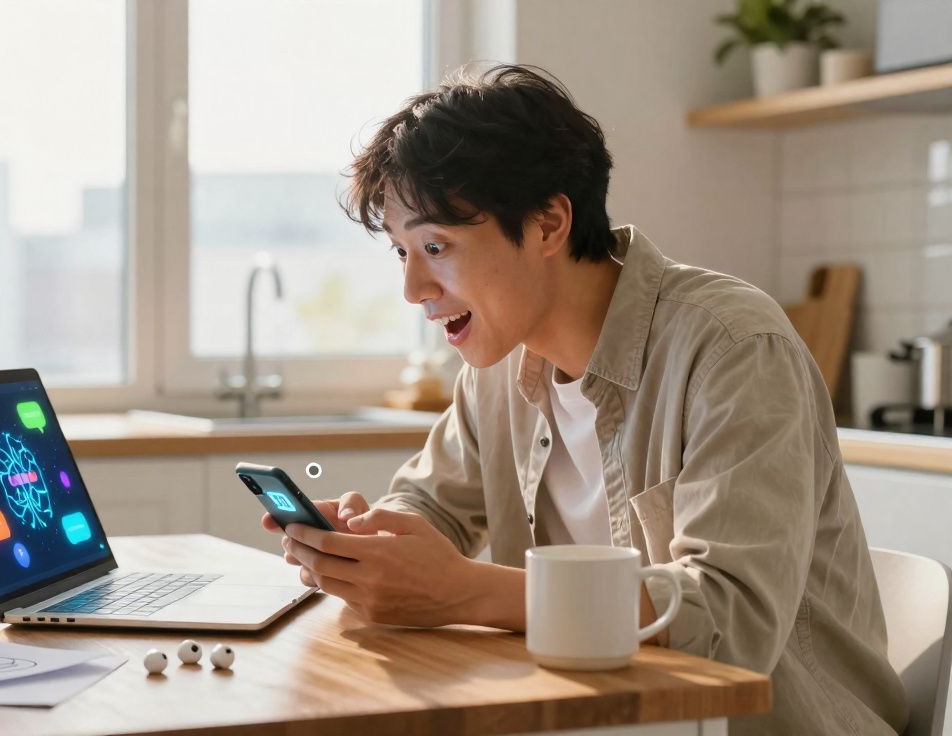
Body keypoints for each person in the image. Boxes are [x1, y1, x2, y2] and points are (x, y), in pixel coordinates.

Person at [259, 64, 908, 735]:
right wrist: (371, 543)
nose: (414, 288)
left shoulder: (733, 347)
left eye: (436, 245)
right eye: (401, 252)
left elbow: (729, 620)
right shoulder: (497, 365)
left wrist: (464, 589)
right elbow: (428, 503)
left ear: (548, 223)